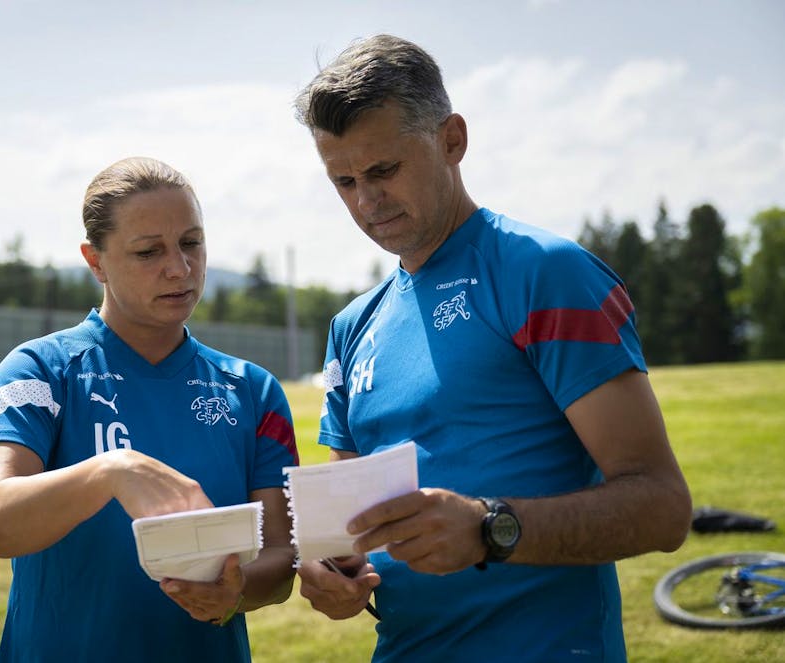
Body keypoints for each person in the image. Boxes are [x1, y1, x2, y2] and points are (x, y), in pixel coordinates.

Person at [292, 35, 692, 662]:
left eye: (383, 170)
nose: (366, 201)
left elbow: (662, 507)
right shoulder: (352, 325)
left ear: (452, 140)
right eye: (343, 180)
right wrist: (329, 571)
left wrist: (489, 529)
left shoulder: (544, 273)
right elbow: (348, 532)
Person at [0, 157, 299, 662]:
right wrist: (113, 472)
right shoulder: (39, 370)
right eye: (148, 252)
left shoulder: (253, 390)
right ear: (95, 261)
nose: (179, 268)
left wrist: (236, 589)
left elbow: (280, 558)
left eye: (191, 243)